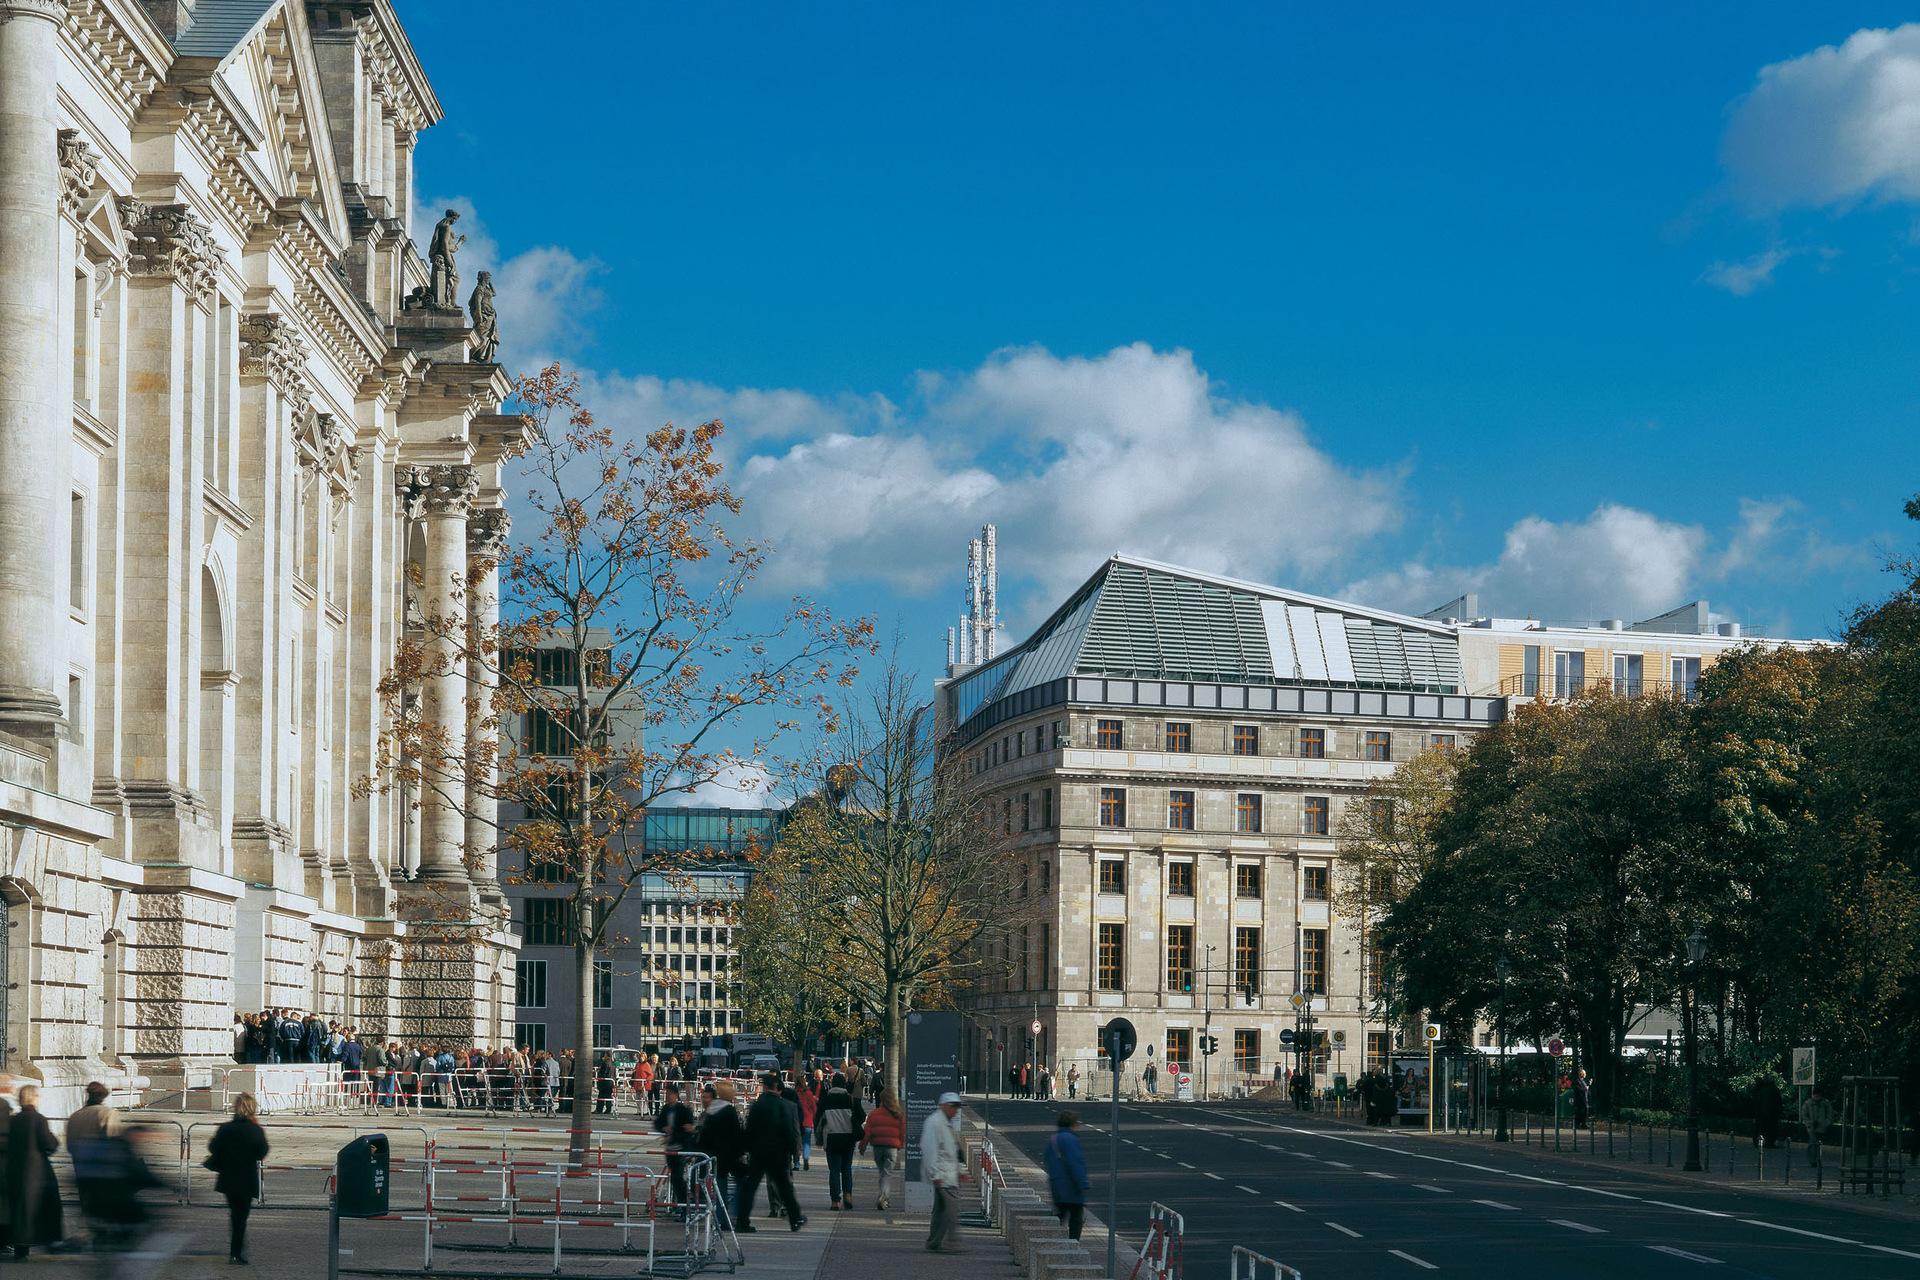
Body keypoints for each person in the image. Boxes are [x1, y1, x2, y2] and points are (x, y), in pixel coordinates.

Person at [207, 1092, 269, 1265]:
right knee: (241, 1216)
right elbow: (262, 1152)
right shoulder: (255, 1130)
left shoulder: (226, 1128)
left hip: (228, 1178)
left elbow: (213, 1147)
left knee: (236, 1214)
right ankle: (236, 1251)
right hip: (247, 1179)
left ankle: (237, 1244)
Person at [738, 1074, 804, 1233]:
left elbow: (750, 1130)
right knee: (785, 1187)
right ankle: (795, 1218)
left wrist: (745, 1150)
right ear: (777, 1088)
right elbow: (789, 1130)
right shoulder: (786, 1106)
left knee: (750, 1188)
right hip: (778, 1153)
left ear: (765, 1087)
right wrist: (792, 1150)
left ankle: (742, 1221)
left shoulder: (757, 1106)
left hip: (759, 1152)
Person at [7, 1084, 59, 1258]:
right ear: (33, 1098)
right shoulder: (38, 1119)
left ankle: (21, 1247)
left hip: (15, 1170)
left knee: (21, 1209)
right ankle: (49, 1241)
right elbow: (49, 1143)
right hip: (37, 1171)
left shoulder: (13, 1120)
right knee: (45, 1205)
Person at [67, 1080, 119, 1230]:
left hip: (81, 1169)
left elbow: (70, 1145)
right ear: (103, 1097)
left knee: (87, 1206)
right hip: (102, 1170)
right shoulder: (107, 1113)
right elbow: (114, 1142)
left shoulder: (75, 1116)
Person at [695, 1081, 746, 1227]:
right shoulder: (729, 1110)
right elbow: (736, 1134)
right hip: (730, 1154)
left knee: (720, 1185)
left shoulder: (712, 1111)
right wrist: (741, 1152)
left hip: (716, 1154)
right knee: (742, 1181)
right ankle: (738, 1212)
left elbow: (705, 1135)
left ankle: (721, 1218)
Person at [817, 1071, 866, 1211]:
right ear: (844, 1085)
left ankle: (835, 1201)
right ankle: (848, 1195)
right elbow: (862, 1116)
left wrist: (820, 1138)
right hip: (848, 1138)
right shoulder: (850, 1099)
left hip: (831, 1138)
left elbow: (818, 1121)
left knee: (834, 1170)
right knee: (846, 1169)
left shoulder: (825, 1100)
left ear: (832, 1084)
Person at [922, 1092, 964, 1253]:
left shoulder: (946, 1122)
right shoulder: (934, 1123)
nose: (956, 1110)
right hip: (943, 1174)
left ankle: (933, 1241)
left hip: (947, 1173)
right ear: (943, 1106)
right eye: (954, 1107)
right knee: (951, 1209)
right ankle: (953, 1241)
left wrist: (960, 1170)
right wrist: (935, 1174)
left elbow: (953, 1150)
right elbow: (930, 1149)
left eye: (958, 1107)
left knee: (940, 1210)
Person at [1044, 1111, 1090, 1241]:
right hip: (1071, 1186)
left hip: (1056, 1184)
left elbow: (1048, 1159)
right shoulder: (1071, 1139)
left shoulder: (1053, 1138)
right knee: (1076, 1219)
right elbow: (1075, 1163)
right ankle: (1073, 1247)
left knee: (1059, 1216)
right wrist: (1083, 1184)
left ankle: (1049, 1242)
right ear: (1073, 1124)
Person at [860, 1087, 906, 1212]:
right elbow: (902, 1132)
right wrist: (901, 1145)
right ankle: (883, 1196)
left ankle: (884, 1197)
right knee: (887, 1172)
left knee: (882, 1171)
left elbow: (867, 1132)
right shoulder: (898, 1114)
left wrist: (862, 1146)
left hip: (878, 1146)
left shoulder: (874, 1114)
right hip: (892, 1147)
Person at [656, 1084, 696, 1206]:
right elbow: (657, 1123)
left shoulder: (683, 1110)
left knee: (677, 1178)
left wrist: (673, 1136)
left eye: (669, 1094)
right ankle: (679, 1202)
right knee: (674, 1178)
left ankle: (685, 1203)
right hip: (670, 1150)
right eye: (666, 1095)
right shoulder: (666, 1109)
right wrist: (664, 1129)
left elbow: (688, 1129)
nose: (667, 1097)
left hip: (681, 1149)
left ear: (676, 1095)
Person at [1799, 1089, 1834, 1166]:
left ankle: (1818, 1159)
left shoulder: (1825, 1103)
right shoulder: (1808, 1103)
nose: (1816, 1097)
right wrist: (1808, 1124)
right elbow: (1804, 1115)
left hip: (1822, 1127)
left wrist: (1826, 1124)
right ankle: (1813, 1160)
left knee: (1819, 1144)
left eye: (1818, 1096)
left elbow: (1829, 1115)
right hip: (1812, 1127)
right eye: (1815, 1096)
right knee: (1812, 1144)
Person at [796, 1074, 818, 1172]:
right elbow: (814, 1107)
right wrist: (814, 1118)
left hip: (797, 1121)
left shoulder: (795, 1093)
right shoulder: (809, 1093)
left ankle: (796, 1162)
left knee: (796, 1142)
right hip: (808, 1121)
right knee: (806, 1142)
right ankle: (806, 1157)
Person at [1754, 1075, 1783, 1149]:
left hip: (1763, 1114)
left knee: (1763, 1129)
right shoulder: (1774, 1089)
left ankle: (1761, 1143)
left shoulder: (1761, 1089)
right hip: (1772, 1113)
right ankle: (1769, 1143)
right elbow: (1778, 1102)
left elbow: (1758, 1102)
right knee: (1771, 1129)